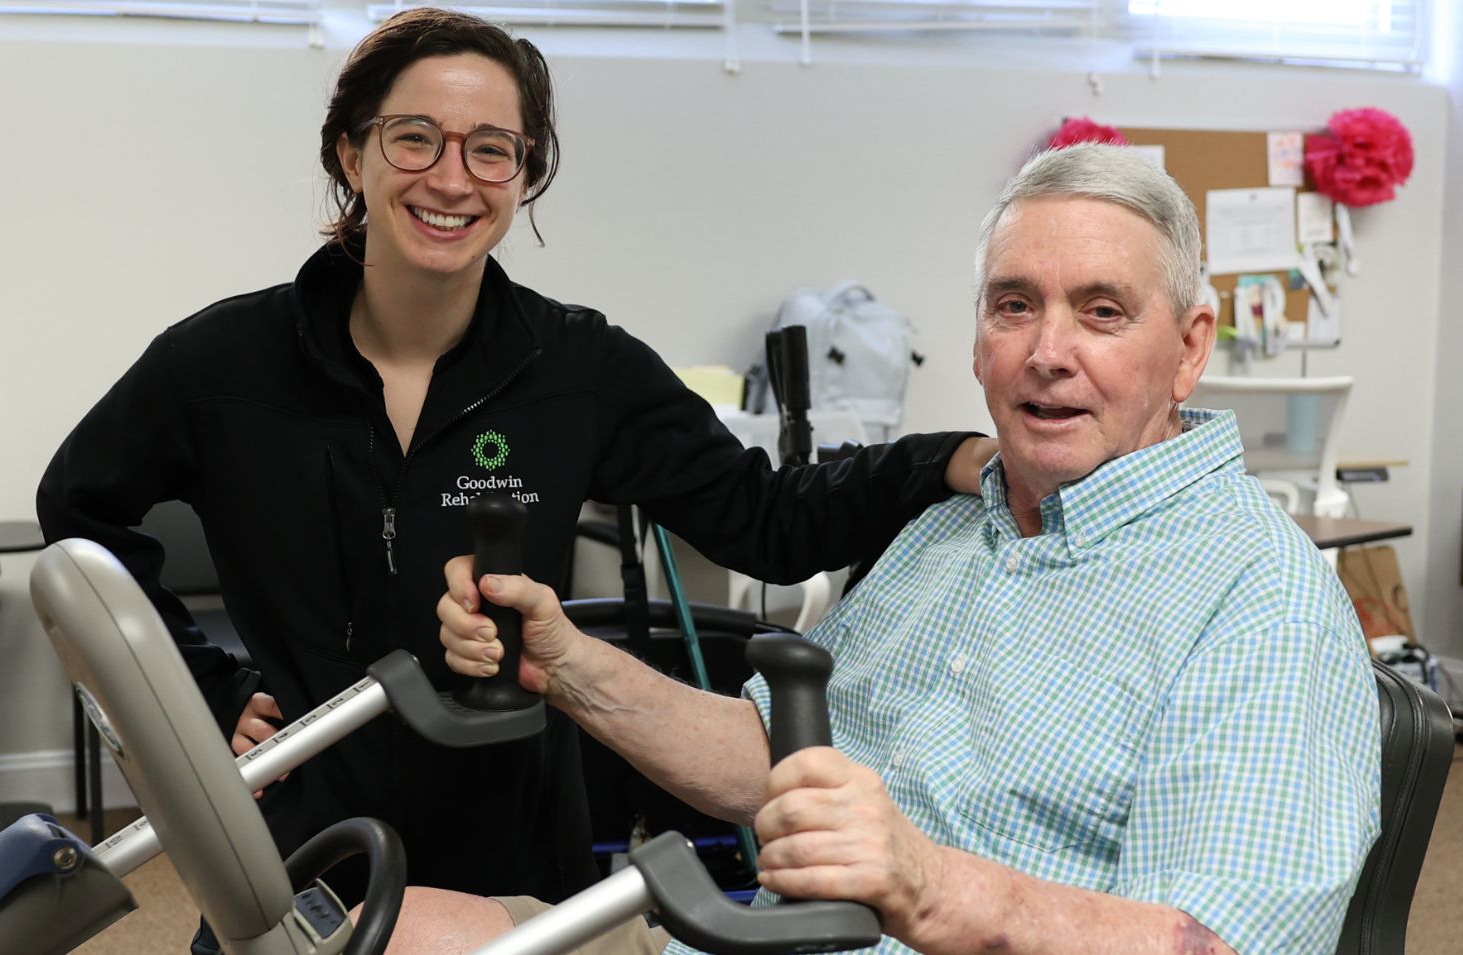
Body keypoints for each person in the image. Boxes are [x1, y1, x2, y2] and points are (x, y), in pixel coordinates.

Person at [34, 8, 995, 951]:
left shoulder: (577, 368)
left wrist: (939, 458)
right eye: (415, 138)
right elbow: (78, 509)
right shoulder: (224, 365)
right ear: (349, 154)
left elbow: (764, 518)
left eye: (493, 149)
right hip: (304, 839)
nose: (452, 178)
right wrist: (207, 689)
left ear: (525, 176)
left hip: (517, 852)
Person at [418, 143, 1383, 954]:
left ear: (1189, 347)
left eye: (1101, 311)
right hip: (747, 936)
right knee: (382, 927)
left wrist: (927, 886)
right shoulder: (953, 527)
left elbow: (1221, 941)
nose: (1048, 351)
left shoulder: (1262, 600)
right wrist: (569, 664)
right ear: (975, 341)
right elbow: (773, 759)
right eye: (1014, 306)